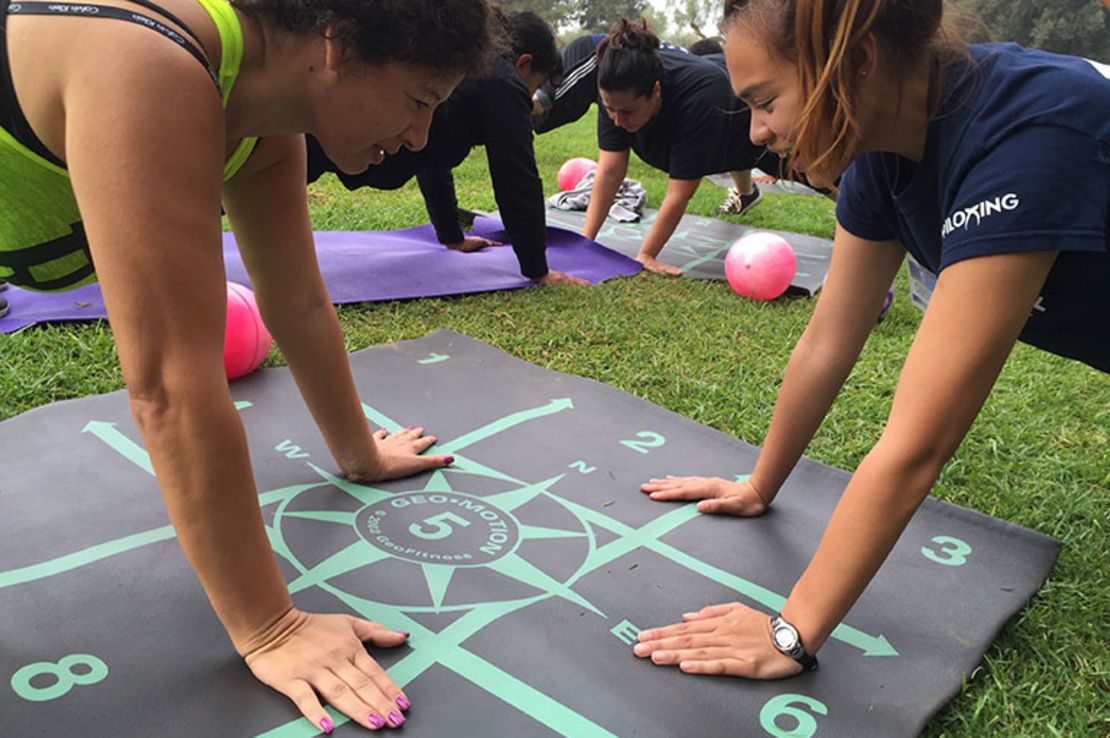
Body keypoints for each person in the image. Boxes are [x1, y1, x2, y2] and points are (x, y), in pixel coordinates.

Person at [0, 0, 498, 731]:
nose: (421, 134)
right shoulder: (149, 64)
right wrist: (271, 627)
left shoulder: (265, 127)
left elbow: (296, 303)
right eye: (419, 100)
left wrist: (359, 455)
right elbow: (169, 384)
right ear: (337, 45)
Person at [635, 0, 1109, 680]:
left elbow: (919, 442)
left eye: (765, 101)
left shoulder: (1031, 125)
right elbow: (827, 343)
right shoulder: (880, 161)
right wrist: (759, 483)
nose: (759, 132)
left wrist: (791, 631)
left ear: (856, 61)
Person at [307, 10, 585, 286]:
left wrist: (451, 236)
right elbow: (516, 179)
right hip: (364, 142)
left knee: (299, 154)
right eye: (535, 86)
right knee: (296, 153)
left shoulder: (468, 74)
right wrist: (538, 270)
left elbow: (434, 155)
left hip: (365, 146)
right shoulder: (506, 85)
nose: (530, 98)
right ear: (524, 63)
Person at [582, 19, 767, 276]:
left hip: (741, 120)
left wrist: (646, 254)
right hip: (706, 104)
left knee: (818, 172)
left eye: (626, 112)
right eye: (609, 109)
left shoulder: (700, 97)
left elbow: (679, 192)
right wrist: (585, 242)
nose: (617, 120)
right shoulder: (615, 92)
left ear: (655, 91)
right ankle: (747, 194)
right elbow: (611, 171)